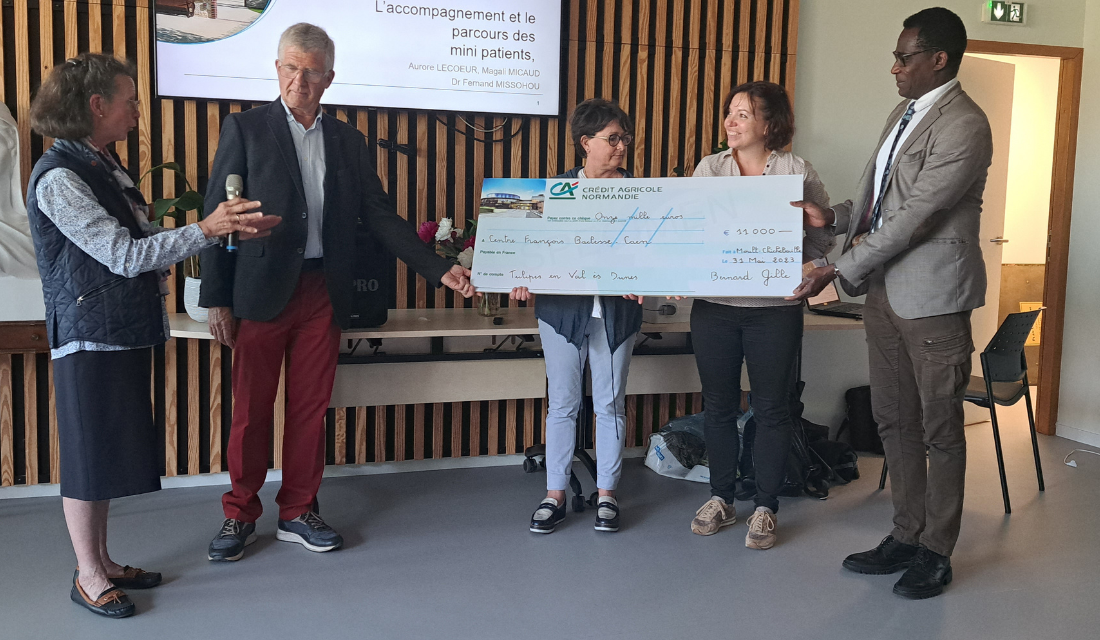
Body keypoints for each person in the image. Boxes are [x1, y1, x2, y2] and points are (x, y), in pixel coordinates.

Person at [200, 23, 474, 561]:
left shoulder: (348, 141)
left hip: (324, 290)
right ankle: (239, 515)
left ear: (329, 78)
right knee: (250, 412)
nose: (299, 79)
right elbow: (219, 217)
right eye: (290, 67)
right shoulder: (245, 129)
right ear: (277, 68)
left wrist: (437, 269)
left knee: (310, 409)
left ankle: (299, 512)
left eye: (311, 70)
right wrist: (217, 298)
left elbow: (379, 215)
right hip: (260, 293)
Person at [25, 53, 275, 618]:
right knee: (89, 458)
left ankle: (104, 560)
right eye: (129, 99)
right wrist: (206, 229)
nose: (137, 110)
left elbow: (140, 239)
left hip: (119, 330)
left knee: (107, 454)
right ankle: (88, 575)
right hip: (88, 335)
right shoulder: (62, 176)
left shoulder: (100, 163)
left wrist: (222, 230)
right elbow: (123, 255)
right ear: (96, 106)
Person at [790, 8, 992, 599]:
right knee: (893, 421)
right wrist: (835, 218)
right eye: (895, 56)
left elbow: (917, 217)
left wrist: (835, 267)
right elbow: (882, 204)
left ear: (939, 60)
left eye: (904, 58)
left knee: (938, 427)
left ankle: (936, 550)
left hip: (932, 298)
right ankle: (905, 534)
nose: (894, 68)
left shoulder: (965, 124)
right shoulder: (902, 114)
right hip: (882, 294)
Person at [686, 81, 834, 550]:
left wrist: (803, 268)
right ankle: (721, 498)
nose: (730, 121)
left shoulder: (796, 170)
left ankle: (766, 507)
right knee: (719, 407)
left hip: (775, 311)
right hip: (715, 310)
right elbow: (688, 228)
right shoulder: (709, 170)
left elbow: (822, 232)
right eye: (729, 112)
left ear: (770, 124)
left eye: (743, 114)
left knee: (772, 409)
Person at [511, 98, 643, 534]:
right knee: (563, 404)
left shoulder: (641, 194)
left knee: (609, 403)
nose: (621, 146)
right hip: (561, 314)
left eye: (624, 137)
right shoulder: (550, 194)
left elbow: (651, 253)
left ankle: (607, 493)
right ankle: (555, 494)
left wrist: (643, 271)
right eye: (612, 138)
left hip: (616, 313)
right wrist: (519, 275)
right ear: (585, 143)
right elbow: (525, 251)